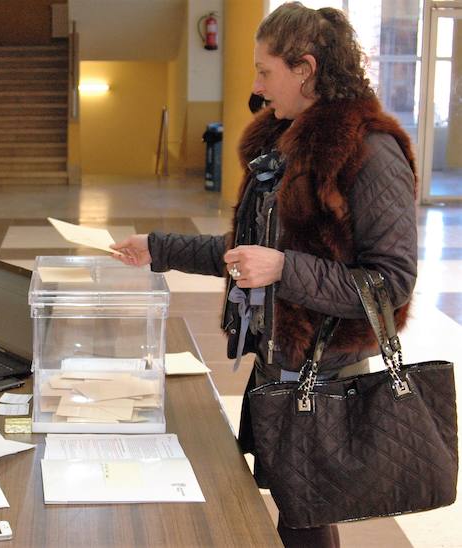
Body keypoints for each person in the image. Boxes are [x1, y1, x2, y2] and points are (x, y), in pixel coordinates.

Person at [111, 4, 417, 546]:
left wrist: (284, 269)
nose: (255, 85)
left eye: (264, 70)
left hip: (324, 370)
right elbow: (250, 252)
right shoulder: (286, 141)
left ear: (305, 68)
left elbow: (390, 283)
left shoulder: (371, 151)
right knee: (295, 510)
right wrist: (158, 248)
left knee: (305, 515)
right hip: (281, 360)